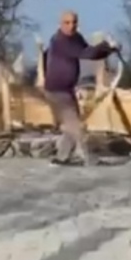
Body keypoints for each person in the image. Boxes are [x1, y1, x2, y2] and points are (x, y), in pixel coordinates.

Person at [43, 10, 116, 166]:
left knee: (71, 126)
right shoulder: (59, 41)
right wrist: (105, 45)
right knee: (76, 126)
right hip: (57, 91)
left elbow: (91, 54)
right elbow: (83, 53)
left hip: (67, 89)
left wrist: (110, 50)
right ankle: (91, 159)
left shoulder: (76, 38)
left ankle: (62, 157)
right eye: (67, 23)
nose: (71, 26)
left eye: (74, 22)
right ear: (60, 24)